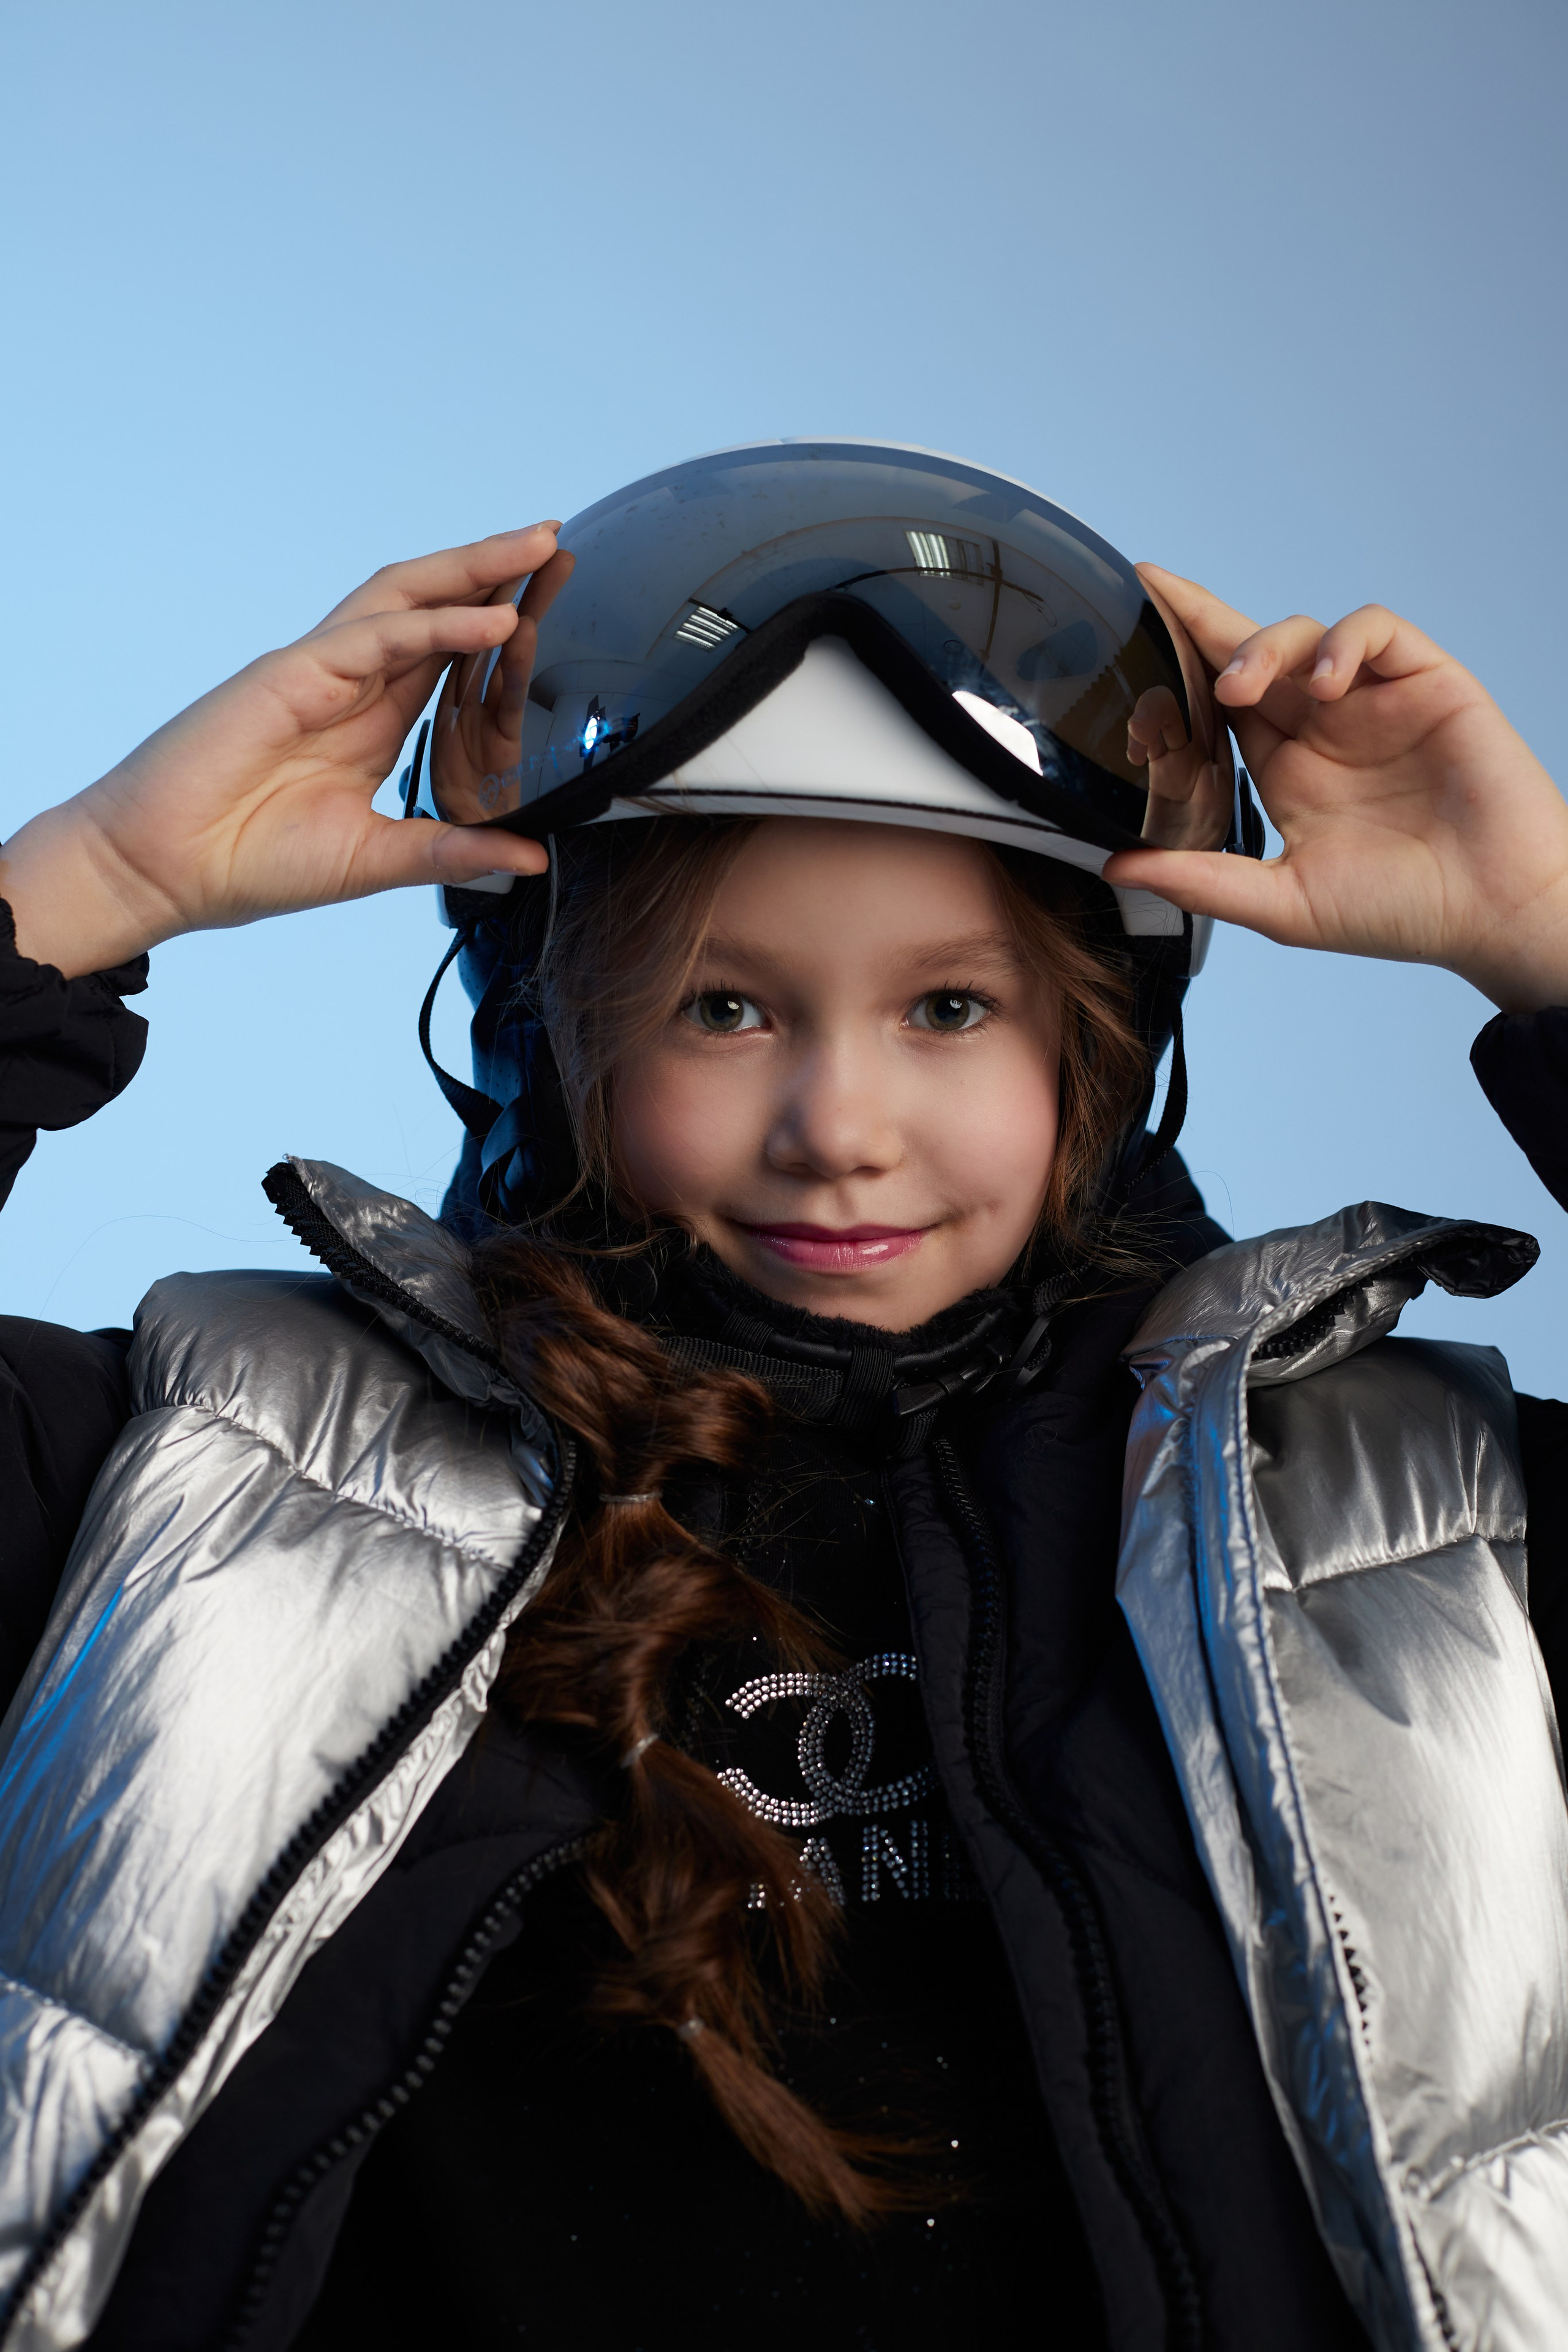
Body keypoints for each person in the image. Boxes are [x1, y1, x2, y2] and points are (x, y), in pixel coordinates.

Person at [0, 440, 1565, 2352]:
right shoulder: (215, 1469)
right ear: (547, 1028)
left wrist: (1551, 941)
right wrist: (92, 883)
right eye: (725, 1008)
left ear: (1107, 1042)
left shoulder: (1421, 1525)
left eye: (951, 1009)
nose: (842, 1130)